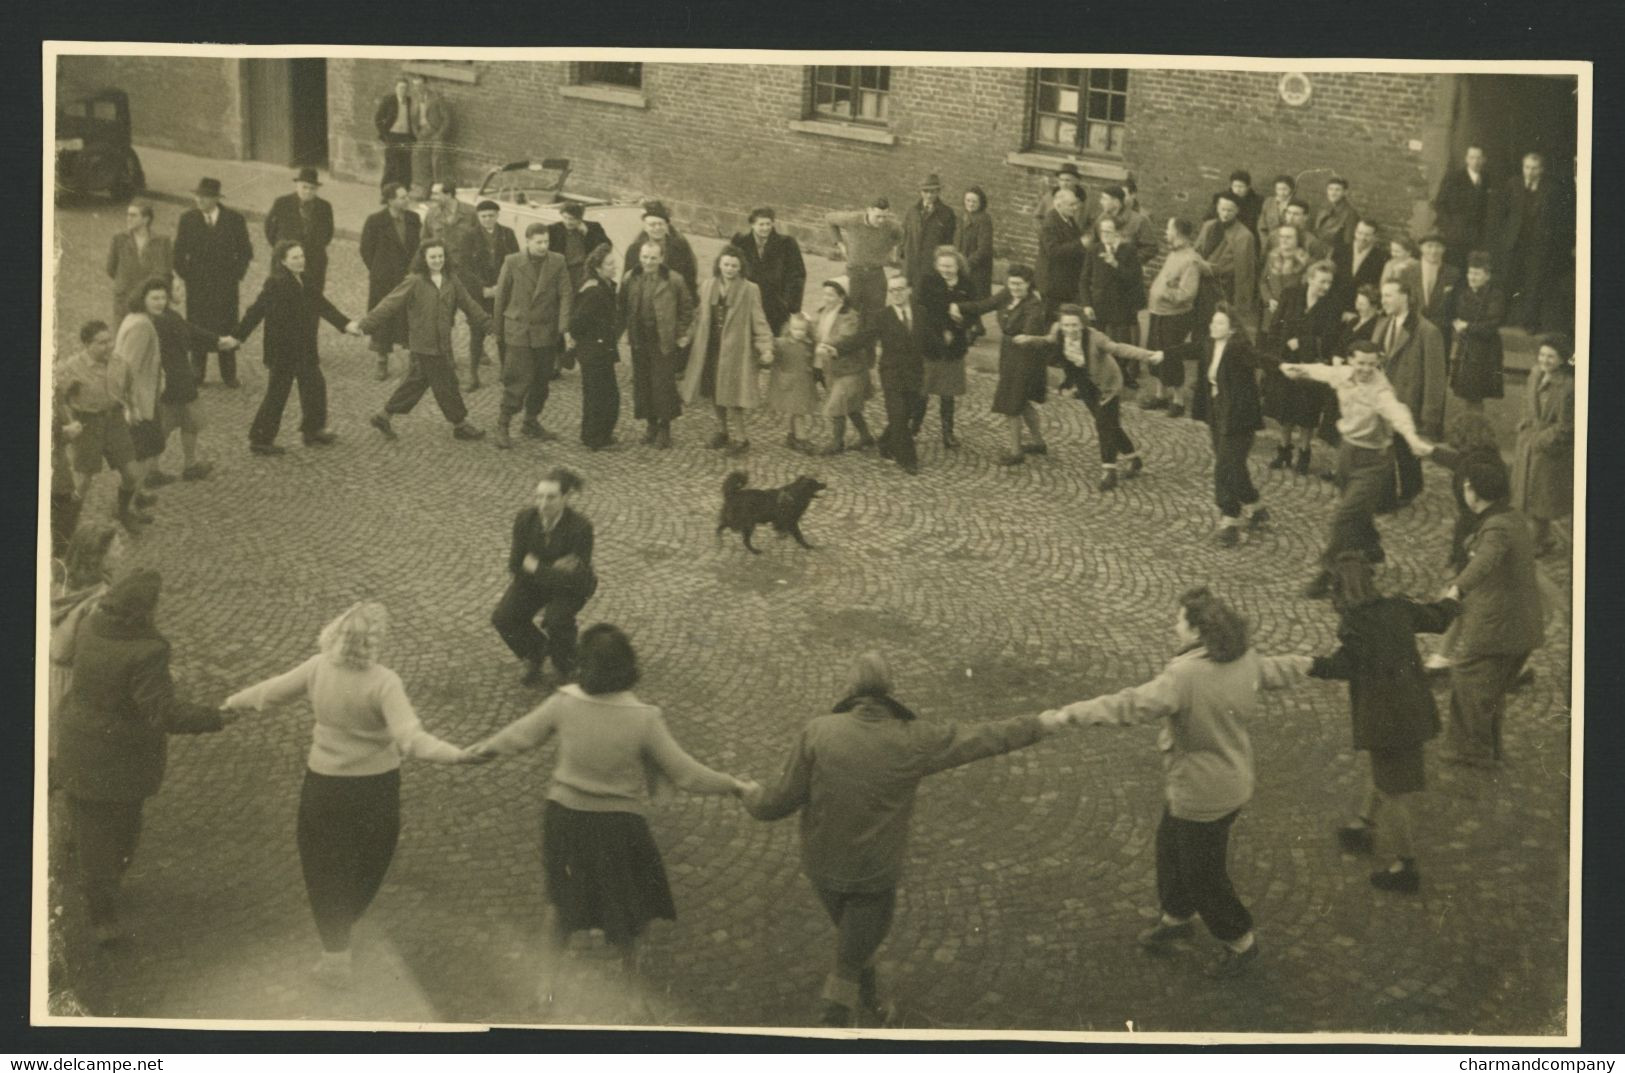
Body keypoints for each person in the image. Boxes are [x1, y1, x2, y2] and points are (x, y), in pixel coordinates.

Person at [743, 651, 1063, 1027]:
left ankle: (871, 1002)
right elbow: (980, 738)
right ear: (889, 690)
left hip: (823, 867)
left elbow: (780, 799)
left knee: (854, 940)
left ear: (851, 688)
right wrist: (1038, 724)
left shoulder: (817, 732)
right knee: (851, 955)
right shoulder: (913, 740)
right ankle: (837, 1020)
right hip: (872, 874)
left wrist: (750, 796)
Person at [1047, 587, 1312, 979]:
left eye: (1179, 621)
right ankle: (1177, 917)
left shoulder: (1185, 676)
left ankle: (1240, 940)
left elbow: (1131, 704)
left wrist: (1070, 715)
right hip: (1229, 781)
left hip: (1199, 793)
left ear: (1197, 631)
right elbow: (1276, 669)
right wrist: (1316, 663)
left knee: (1201, 873)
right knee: (1170, 847)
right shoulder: (1242, 658)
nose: (1174, 625)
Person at [472, 624, 747, 1000]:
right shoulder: (644, 718)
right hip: (617, 825)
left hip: (564, 819)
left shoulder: (563, 702)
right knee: (628, 912)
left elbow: (518, 736)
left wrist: (475, 752)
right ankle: (633, 992)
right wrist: (734, 785)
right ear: (627, 666)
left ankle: (545, 986)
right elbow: (686, 773)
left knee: (560, 903)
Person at [222, 602, 480, 985]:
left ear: (335, 632)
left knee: (323, 865)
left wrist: (231, 703)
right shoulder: (384, 682)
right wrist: (456, 755)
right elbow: (410, 739)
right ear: (375, 642)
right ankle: (345, 923)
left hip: (324, 785)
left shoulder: (317, 668)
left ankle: (335, 951)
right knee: (371, 860)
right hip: (375, 788)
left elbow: (270, 692)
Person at [55, 569, 233, 945]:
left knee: (91, 830)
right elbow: (161, 712)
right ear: (146, 609)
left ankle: (100, 904)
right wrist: (213, 716)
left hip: (77, 744)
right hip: (121, 761)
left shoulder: (91, 625)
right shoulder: (148, 651)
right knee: (120, 835)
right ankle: (104, 913)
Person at [1311, 553, 1458, 894]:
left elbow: (1344, 665)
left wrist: (1310, 664)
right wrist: (1454, 595)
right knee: (1386, 773)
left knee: (1394, 792)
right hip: (1413, 710)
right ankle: (1362, 824)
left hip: (1384, 720)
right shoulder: (1397, 608)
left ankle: (1405, 866)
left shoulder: (1354, 623)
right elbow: (1438, 619)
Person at [1281, 340, 1436, 597]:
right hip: (1347, 454)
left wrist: (1412, 439)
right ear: (1351, 360)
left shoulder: (1381, 391)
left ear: (1378, 364)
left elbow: (1399, 414)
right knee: (1355, 509)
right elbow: (1324, 371)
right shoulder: (1345, 375)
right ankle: (1371, 547)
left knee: (1345, 515)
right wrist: (1298, 369)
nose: (1366, 369)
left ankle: (1327, 574)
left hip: (1373, 462)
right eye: (1361, 363)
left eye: (1372, 365)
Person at [1441, 460, 1544, 767]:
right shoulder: (1510, 519)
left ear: (1475, 490)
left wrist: (1457, 589)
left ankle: (1474, 749)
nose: (1464, 491)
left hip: (1499, 627)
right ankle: (1487, 748)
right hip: (1517, 627)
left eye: (1467, 486)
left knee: (1468, 679)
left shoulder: (1497, 528)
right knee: (1488, 689)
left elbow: (1485, 560)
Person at [356, 239, 489, 443]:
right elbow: (389, 303)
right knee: (447, 384)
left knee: (417, 382)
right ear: (424, 259)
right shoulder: (415, 281)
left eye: (440, 256)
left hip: (442, 342)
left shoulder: (452, 280)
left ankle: (383, 416)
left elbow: (469, 304)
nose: (437, 260)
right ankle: (460, 424)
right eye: (433, 257)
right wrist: (366, 325)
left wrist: (488, 324)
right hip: (423, 343)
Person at [230, 240, 357, 455]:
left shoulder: (305, 279)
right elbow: (256, 311)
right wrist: (238, 337)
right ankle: (260, 439)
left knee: (315, 386)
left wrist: (345, 324)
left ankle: (313, 429)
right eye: (295, 258)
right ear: (283, 261)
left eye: (302, 256)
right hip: (283, 350)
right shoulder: (276, 283)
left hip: (304, 347)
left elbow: (323, 305)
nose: (301, 261)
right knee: (277, 393)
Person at [1160, 305, 1269, 546]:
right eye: (1213, 322)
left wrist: (1285, 367)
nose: (1213, 326)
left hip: (1239, 416)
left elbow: (1260, 359)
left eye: (1219, 323)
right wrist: (1162, 354)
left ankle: (1230, 519)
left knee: (1224, 467)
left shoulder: (1238, 348)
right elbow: (1187, 349)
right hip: (1218, 413)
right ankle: (1255, 506)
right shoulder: (1209, 344)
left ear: (1231, 330)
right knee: (1232, 463)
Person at [118, 278, 237, 490]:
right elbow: (189, 335)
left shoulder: (163, 316)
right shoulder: (155, 322)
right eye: (156, 297)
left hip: (171, 380)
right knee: (175, 425)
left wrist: (217, 341)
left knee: (168, 426)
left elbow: (189, 330)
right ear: (144, 298)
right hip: (172, 380)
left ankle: (157, 471)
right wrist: (219, 342)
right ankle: (159, 474)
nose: (163, 301)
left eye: (164, 297)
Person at [492, 468, 598, 687]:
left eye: (551, 497)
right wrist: (553, 570)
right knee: (503, 617)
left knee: (557, 619)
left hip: (570, 589)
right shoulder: (525, 519)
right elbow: (515, 564)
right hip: (533, 584)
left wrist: (538, 567)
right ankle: (534, 652)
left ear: (565, 498)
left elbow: (574, 578)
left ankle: (566, 663)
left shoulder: (580, 528)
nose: (543, 504)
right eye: (539, 496)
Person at [1419, 410, 1507, 673]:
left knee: (1460, 596)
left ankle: (1443, 656)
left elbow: (1472, 514)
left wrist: (1459, 554)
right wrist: (1430, 452)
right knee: (1469, 598)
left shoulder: (1473, 467)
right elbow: (1456, 460)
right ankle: (1497, 656)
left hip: (1475, 538)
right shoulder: (1488, 459)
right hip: (1485, 535)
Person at [1047, 304, 1158, 491]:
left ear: (1082, 324)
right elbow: (1048, 340)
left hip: (1108, 384)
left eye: (1074, 325)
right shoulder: (1058, 331)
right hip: (1086, 384)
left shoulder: (1095, 338)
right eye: (1066, 325)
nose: (1070, 330)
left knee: (1104, 425)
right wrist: (1027, 339)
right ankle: (1133, 458)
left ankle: (1109, 470)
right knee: (1109, 423)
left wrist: (1147, 355)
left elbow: (1118, 348)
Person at [681, 246, 775, 456]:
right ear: (719, 265)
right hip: (710, 349)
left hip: (735, 354)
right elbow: (699, 316)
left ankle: (741, 438)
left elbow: (759, 321)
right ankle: (723, 431)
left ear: (741, 268)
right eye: (726, 264)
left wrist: (765, 347)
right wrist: (687, 336)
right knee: (715, 392)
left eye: (734, 265)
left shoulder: (750, 290)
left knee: (733, 397)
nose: (729, 269)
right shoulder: (707, 286)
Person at [49, 524, 127, 778]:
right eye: (117, 547)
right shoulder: (98, 602)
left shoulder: (60, 583)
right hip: (71, 682)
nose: (122, 551)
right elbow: (92, 654)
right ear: (99, 557)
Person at [956, 264, 1051, 466]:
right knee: (1022, 401)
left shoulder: (1034, 305)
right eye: (1011, 283)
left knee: (1012, 402)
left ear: (1028, 284)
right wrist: (957, 306)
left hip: (1026, 357)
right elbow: (983, 306)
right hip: (1009, 352)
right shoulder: (1006, 295)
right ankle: (1038, 443)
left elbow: (1031, 329)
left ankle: (1016, 452)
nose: (1014, 287)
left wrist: (1026, 335)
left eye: (1019, 284)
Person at [57, 321, 150, 527]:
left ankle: (123, 511)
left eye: (110, 340)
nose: (109, 346)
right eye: (101, 343)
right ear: (86, 344)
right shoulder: (71, 368)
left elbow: (129, 387)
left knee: (132, 474)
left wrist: (133, 409)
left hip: (115, 422)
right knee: (82, 482)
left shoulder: (119, 363)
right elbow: (57, 398)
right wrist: (69, 423)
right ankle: (66, 526)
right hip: (86, 425)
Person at [491, 223, 573, 447]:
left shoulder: (558, 261)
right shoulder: (512, 261)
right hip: (518, 331)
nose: (544, 246)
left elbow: (566, 295)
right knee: (517, 380)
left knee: (542, 381)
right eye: (539, 242)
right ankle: (503, 424)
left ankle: (530, 421)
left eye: (546, 242)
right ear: (527, 241)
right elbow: (501, 297)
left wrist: (563, 329)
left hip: (545, 333)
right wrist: (499, 332)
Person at [1373, 279, 1447, 507]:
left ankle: (1410, 489)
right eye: (1383, 295)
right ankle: (1385, 496)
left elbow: (1435, 378)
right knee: (1385, 448)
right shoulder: (1382, 324)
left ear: (1405, 297)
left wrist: (1430, 415)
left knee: (1406, 451)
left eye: (1389, 295)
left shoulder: (1426, 331)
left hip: (1408, 400)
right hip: (1383, 399)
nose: (1384, 300)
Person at [173, 177, 252, 389]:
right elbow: (178, 254)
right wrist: (189, 276)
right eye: (197, 196)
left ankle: (229, 375)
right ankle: (197, 374)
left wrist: (236, 275)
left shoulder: (234, 220)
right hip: (198, 287)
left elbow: (245, 252)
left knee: (227, 327)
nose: (199, 200)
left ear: (216, 199)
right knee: (197, 328)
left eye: (205, 197)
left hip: (226, 286)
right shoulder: (188, 219)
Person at [1264, 261, 1341, 476]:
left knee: (1307, 411)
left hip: (1311, 366)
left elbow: (1329, 338)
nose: (1326, 287)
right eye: (1322, 281)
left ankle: (1304, 452)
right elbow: (1275, 325)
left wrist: (1303, 343)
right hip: (1287, 361)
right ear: (1310, 278)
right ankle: (1284, 450)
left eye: (1329, 282)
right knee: (1285, 407)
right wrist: (1277, 355)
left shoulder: (1332, 305)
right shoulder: (1291, 294)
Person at [618, 242, 694, 450]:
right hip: (639, 338)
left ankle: (664, 428)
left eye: (653, 258)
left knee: (662, 384)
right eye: (644, 257)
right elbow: (622, 306)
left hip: (662, 339)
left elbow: (687, 310)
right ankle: (650, 425)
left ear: (661, 259)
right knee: (643, 383)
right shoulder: (630, 278)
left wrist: (679, 334)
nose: (648, 262)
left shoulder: (674, 280)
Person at [1510, 334, 1575, 557]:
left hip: (1548, 450)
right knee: (1525, 493)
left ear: (1562, 360)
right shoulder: (1535, 373)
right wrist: (1524, 423)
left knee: (1540, 499)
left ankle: (1537, 542)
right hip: (1529, 443)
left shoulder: (1568, 387)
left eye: (1551, 356)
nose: (1545, 360)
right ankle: (1542, 538)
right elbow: (1527, 402)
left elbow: (1566, 427)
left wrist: (1539, 441)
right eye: (1542, 355)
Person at [1490, 152, 1567, 330]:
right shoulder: (1513, 184)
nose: (1530, 172)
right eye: (1526, 167)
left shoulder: (1551, 189)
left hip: (1538, 245)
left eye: (1534, 168)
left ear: (1541, 170)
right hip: (1514, 243)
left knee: (1534, 284)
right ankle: (1502, 318)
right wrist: (1504, 237)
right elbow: (1501, 213)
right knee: (1507, 281)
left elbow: (1558, 220)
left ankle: (1530, 323)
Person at [1142, 217, 1207, 417]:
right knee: (1154, 352)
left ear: (1178, 233)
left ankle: (1178, 400)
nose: (1166, 233)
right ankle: (1161, 395)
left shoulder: (1191, 259)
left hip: (1175, 317)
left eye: (1168, 229)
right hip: (1157, 312)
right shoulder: (1174, 253)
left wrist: (1165, 293)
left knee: (1171, 355)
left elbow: (1187, 294)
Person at [359, 183, 423, 381]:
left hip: (408, 277)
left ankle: (414, 359)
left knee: (411, 317)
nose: (407, 200)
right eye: (402, 197)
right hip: (384, 280)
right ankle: (382, 360)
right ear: (390, 200)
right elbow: (366, 250)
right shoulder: (375, 221)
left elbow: (418, 246)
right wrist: (379, 270)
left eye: (407, 197)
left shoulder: (413, 219)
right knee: (383, 317)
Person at [913, 246, 973, 448]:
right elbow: (922, 311)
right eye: (942, 266)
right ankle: (914, 426)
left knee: (948, 392)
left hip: (954, 346)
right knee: (923, 388)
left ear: (958, 266)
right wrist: (941, 330)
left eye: (950, 266)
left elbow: (973, 313)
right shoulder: (928, 282)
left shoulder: (967, 285)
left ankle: (948, 432)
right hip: (931, 343)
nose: (945, 270)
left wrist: (959, 323)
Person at [1079, 215, 1146, 394]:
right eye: (1102, 231)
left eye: (1109, 231)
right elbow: (1084, 280)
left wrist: (1115, 263)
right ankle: (1092, 378)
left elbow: (1134, 279)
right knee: (1094, 342)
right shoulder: (1094, 250)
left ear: (1118, 233)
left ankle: (1122, 374)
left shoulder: (1129, 251)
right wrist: (1087, 304)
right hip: (1098, 304)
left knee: (1120, 342)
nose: (1105, 235)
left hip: (1121, 305)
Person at [458, 200, 519, 393]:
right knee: (477, 332)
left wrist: (501, 287)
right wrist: (482, 288)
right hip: (480, 294)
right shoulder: (469, 236)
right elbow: (464, 268)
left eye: (491, 215)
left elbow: (515, 262)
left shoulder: (507, 234)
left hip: (503, 292)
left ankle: (506, 371)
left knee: (503, 331)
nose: (487, 219)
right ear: (478, 217)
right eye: (483, 216)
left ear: (497, 215)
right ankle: (473, 374)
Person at [812, 280, 878, 455]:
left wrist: (825, 346)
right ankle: (866, 436)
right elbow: (815, 332)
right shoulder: (822, 313)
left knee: (837, 404)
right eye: (825, 294)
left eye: (831, 295)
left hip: (850, 369)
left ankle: (837, 442)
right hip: (831, 368)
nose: (826, 298)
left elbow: (845, 337)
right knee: (851, 406)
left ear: (841, 297)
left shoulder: (849, 316)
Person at [873, 274, 927, 474]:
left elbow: (931, 339)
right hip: (892, 373)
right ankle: (907, 459)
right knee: (897, 413)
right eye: (892, 290)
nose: (896, 294)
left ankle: (886, 441)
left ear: (909, 290)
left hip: (915, 374)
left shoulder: (920, 313)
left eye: (900, 289)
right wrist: (837, 348)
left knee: (909, 412)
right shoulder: (882, 316)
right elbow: (864, 336)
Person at [570, 244, 622, 451]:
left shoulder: (606, 286)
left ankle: (602, 434)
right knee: (597, 395)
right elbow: (577, 324)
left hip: (602, 351)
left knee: (607, 394)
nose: (614, 267)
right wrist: (592, 340)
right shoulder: (593, 291)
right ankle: (593, 437)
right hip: (594, 352)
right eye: (609, 264)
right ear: (598, 268)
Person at [730, 207, 806, 337]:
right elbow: (731, 269)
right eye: (761, 224)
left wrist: (789, 304)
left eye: (768, 224)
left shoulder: (786, 244)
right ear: (752, 225)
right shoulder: (740, 242)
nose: (765, 228)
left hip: (775, 305)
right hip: (747, 301)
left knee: (773, 340)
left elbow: (797, 275)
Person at [1445, 251, 1506, 411]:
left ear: (1487, 276)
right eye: (1470, 273)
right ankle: (1468, 427)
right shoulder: (1464, 294)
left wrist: (1467, 326)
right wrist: (1457, 324)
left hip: (1484, 350)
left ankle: (1475, 429)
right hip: (1466, 348)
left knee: (1475, 394)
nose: (1472, 277)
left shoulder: (1495, 296)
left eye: (1477, 274)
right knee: (1466, 391)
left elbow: (1493, 324)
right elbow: (1456, 316)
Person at [1194, 192, 1259, 336]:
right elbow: (1196, 249)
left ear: (1237, 211)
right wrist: (1199, 262)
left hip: (1222, 287)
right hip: (1200, 281)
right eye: (1222, 209)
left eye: (1230, 210)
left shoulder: (1244, 236)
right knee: (1197, 320)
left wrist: (1211, 268)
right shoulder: (1209, 226)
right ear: (1217, 208)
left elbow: (1243, 269)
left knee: (1216, 322)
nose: (1225, 213)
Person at [825, 197, 902, 317]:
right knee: (851, 313)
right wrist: (839, 243)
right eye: (878, 216)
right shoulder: (852, 220)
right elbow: (829, 219)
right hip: (854, 274)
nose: (881, 220)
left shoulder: (890, 226)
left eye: (884, 216)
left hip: (876, 276)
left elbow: (901, 236)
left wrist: (892, 249)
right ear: (869, 210)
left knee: (876, 315)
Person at [264, 168, 335, 294]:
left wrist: (314, 248)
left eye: (312, 188)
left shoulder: (324, 207)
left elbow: (328, 233)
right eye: (304, 187)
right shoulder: (282, 203)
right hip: (286, 261)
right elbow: (270, 230)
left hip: (313, 262)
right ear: (297, 186)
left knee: (311, 301)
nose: (308, 191)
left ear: (316, 189)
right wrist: (282, 249)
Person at [105, 202, 173, 325]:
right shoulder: (119, 239)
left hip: (152, 301)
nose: (128, 218)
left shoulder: (162, 242)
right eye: (128, 214)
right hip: (125, 299)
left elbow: (168, 272)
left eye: (133, 215)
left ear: (146, 219)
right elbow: (111, 269)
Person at [768, 313, 822, 454]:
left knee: (796, 410)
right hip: (791, 384)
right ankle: (802, 439)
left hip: (804, 383)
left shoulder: (809, 343)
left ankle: (793, 436)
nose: (799, 333)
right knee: (799, 412)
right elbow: (771, 348)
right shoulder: (783, 343)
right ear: (789, 328)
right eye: (795, 329)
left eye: (802, 330)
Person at [1433, 145, 1491, 272]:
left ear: (1483, 160)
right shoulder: (1454, 178)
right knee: (1453, 269)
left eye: (1478, 158)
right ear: (1466, 159)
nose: (1475, 161)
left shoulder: (1486, 179)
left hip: (1475, 236)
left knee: (1470, 269)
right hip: (1455, 236)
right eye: (1472, 157)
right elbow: (1439, 203)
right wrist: (1450, 228)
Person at [626, 201, 699, 295]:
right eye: (652, 225)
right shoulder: (634, 250)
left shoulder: (680, 248)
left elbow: (690, 279)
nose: (657, 228)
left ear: (666, 225)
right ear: (645, 227)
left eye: (661, 224)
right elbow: (627, 283)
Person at [900, 173, 956, 291]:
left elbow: (948, 243)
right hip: (911, 265)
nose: (929, 195)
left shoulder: (946, 213)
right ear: (921, 192)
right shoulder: (912, 211)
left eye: (933, 192)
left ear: (938, 192)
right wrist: (903, 256)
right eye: (926, 191)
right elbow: (904, 235)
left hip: (931, 267)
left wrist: (942, 265)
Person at [1036, 188, 1086, 319]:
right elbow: (1053, 251)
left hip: (1064, 281)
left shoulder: (1068, 219)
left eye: (1076, 204)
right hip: (1053, 283)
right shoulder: (1050, 223)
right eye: (1071, 205)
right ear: (1058, 205)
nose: (1075, 208)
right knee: (1052, 319)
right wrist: (1081, 244)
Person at [953, 186, 994, 341]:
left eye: (974, 201)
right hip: (963, 264)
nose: (970, 204)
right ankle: (977, 326)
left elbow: (984, 248)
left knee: (972, 297)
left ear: (981, 202)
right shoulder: (963, 217)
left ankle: (971, 329)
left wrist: (966, 263)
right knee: (966, 295)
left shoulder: (984, 220)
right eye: (968, 200)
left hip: (977, 267)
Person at [545, 202, 612, 292]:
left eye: (572, 219)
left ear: (580, 219)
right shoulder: (553, 230)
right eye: (565, 218)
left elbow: (607, 246)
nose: (567, 222)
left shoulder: (593, 227)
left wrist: (588, 233)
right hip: (564, 271)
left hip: (585, 271)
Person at [421, 182, 479, 278]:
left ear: (448, 194)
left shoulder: (471, 212)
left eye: (436, 194)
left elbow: (480, 241)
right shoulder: (431, 214)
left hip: (467, 269)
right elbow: (425, 241)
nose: (432, 197)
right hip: (442, 268)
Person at [1260, 224, 1311, 333]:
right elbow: (1263, 282)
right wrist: (1269, 299)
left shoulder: (1306, 261)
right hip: (1271, 312)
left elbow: (1307, 289)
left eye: (1289, 237)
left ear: (1298, 239)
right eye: (1282, 236)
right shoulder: (1272, 256)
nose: (1284, 240)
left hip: (1292, 314)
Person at [1332, 219, 1388, 316]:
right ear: (1355, 232)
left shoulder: (1382, 258)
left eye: (1367, 235)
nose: (1362, 237)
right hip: (1335, 308)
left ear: (1375, 236)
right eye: (1360, 233)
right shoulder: (1340, 250)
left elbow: (1378, 287)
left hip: (1361, 312)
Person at [1416, 233, 1462, 348]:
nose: (1433, 251)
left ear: (1443, 249)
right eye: (1429, 246)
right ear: (1421, 248)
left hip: (1440, 330)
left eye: (1438, 247)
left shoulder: (1453, 273)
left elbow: (1457, 303)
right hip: (1413, 327)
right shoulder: (1408, 272)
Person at [408, 76, 451, 193]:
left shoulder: (436, 98)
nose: (418, 88)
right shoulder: (415, 99)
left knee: (437, 159)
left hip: (435, 132)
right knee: (419, 158)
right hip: (422, 133)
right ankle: (424, 188)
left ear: (426, 85)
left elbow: (447, 119)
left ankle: (438, 189)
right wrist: (416, 133)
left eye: (420, 85)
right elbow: (413, 118)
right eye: (416, 85)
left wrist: (439, 134)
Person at [374, 77, 416, 191]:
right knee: (391, 165)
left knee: (406, 165)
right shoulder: (389, 100)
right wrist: (384, 134)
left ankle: (404, 190)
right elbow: (378, 118)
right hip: (392, 136)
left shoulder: (410, 101)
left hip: (405, 137)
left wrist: (413, 136)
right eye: (401, 87)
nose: (403, 90)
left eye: (405, 88)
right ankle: (386, 192)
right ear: (396, 88)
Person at [1205, 169, 1263, 235]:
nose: (1237, 190)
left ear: (1248, 187)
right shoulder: (1222, 198)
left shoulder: (1257, 201)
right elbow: (1209, 217)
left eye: (1241, 186)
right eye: (1235, 186)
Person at [1313, 177, 1360, 255]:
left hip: (1333, 254)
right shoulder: (1324, 208)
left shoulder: (1350, 214)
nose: (1333, 193)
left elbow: (1348, 243)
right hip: (1316, 250)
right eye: (1330, 189)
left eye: (1337, 190)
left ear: (1345, 192)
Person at [1033, 162, 1082, 232]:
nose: (1064, 184)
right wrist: (1044, 233)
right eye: (1061, 180)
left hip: (1075, 239)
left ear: (1076, 181)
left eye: (1068, 180)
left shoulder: (1086, 200)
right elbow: (1037, 217)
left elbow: (1091, 222)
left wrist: (1083, 237)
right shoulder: (1049, 197)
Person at [1256, 174, 1297, 251]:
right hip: (1269, 243)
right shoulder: (1269, 202)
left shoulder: (1295, 203)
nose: (1281, 192)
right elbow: (1261, 226)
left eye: (1285, 189)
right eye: (1278, 189)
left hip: (1288, 244)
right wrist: (1266, 242)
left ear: (1291, 189)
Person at [1380, 236, 1422, 307]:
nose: (1394, 254)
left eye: (1397, 251)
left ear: (1408, 252)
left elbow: (1414, 290)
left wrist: (1399, 273)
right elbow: (1382, 284)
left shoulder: (1416, 265)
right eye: (1392, 251)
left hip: (1408, 303)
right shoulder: (1389, 264)